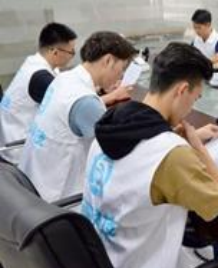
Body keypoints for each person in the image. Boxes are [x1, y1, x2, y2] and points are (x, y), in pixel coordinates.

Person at [82, 42, 218, 268]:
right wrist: (199, 149)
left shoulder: (109, 123)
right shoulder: (172, 155)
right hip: (142, 261)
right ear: (182, 90)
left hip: (102, 253)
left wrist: (177, 137)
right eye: (195, 98)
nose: (191, 108)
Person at [18, 31, 136, 201]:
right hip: (58, 200)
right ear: (108, 61)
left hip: (31, 182)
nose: (121, 75)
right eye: (122, 68)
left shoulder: (65, 78)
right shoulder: (85, 102)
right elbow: (117, 151)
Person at [0, 23, 77, 161]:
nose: (72, 56)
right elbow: (72, 108)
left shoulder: (33, 63)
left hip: (11, 137)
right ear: (55, 52)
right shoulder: (40, 77)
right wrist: (110, 95)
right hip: (19, 150)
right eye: (71, 52)